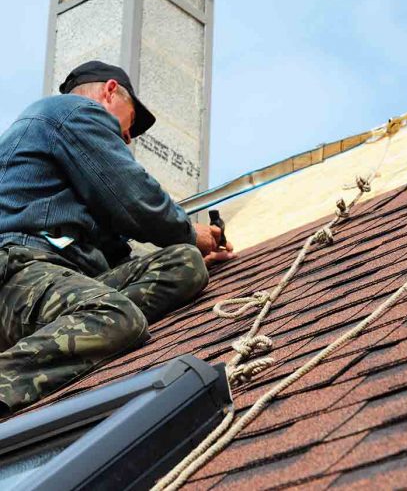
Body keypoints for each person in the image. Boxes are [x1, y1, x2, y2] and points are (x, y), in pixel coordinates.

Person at [0, 60, 235, 415]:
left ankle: (81, 330)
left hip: (55, 280)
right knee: (117, 314)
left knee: (183, 264)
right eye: (130, 126)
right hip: (16, 270)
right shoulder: (71, 112)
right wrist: (190, 231)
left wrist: (191, 248)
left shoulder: (69, 170)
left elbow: (119, 254)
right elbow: (135, 199)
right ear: (110, 91)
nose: (127, 137)